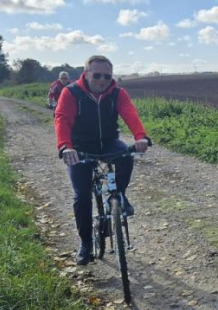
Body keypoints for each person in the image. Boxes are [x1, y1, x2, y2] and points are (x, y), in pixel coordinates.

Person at [54, 55, 150, 265]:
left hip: (107, 142)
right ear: (86, 73)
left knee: (125, 154)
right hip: (79, 147)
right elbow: (62, 119)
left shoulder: (117, 93)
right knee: (82, 196)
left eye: (107, 76)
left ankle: (119, 196)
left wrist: (140, 136)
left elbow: (130, 114)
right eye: (97, 75)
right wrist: (65, 146)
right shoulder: (71, 93)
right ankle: (85, 243)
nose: (102, 80)